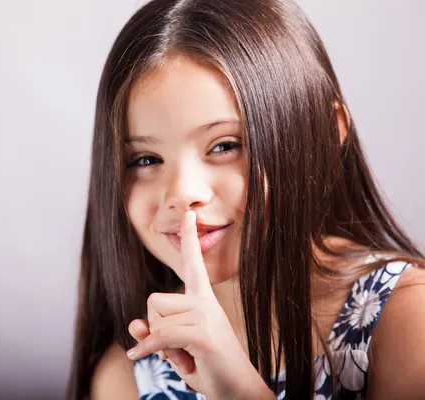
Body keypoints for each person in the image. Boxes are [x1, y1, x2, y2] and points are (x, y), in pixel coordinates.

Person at [66, 0, 425, 398]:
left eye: (224, 146)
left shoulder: (407, 319)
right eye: (146, 159)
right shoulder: (129, 376)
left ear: (324, 137)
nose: (183, 192)